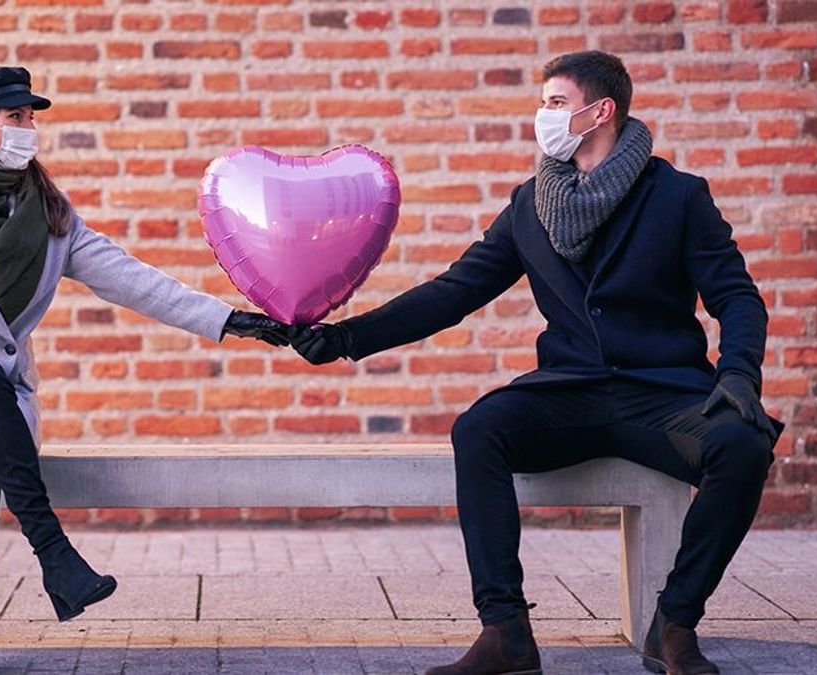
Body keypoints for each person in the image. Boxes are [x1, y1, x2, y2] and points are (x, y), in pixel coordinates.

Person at [291, 51, 784, 675]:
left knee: (743, 444)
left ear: (599, 110)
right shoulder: (532, 205)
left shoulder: (678, 197)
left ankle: (675, 623)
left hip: (664, 396)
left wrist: (740, 373)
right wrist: (345, 339)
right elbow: (454, 291)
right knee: (480, 429)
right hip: (570, 392)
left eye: (555, 102)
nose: (543, 115)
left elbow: (737, 296)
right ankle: (505, 632)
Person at [0, 66, 288, 675]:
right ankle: (54, 553)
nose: (29, 129)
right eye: (16, 118)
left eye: (32, 118)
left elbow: (137, 281)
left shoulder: (53, 219)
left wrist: (232, 321)